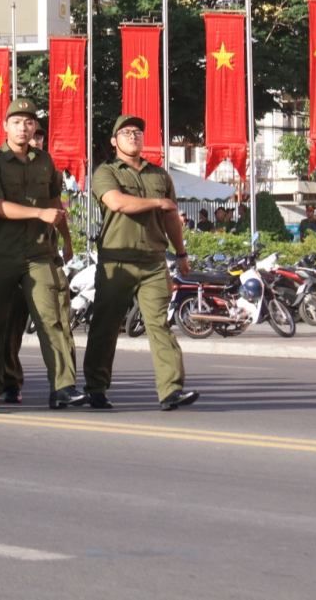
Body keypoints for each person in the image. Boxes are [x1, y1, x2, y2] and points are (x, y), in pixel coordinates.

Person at [0, 99, 85, 410]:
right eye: (17, 122)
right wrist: (39, 214)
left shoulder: (45, 161)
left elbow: (55, 205)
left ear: (35, 127)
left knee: (52, 319)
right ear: (5, 127)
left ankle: (63, 387)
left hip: (37, 253)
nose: (23, 127)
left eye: (29, 122)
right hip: (0, 253)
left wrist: (66, 240)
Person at [85, 115, 199, 411]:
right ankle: (96, 388)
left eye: (137, 132)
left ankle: (171, 390)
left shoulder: (159, 175)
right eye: (125, 132)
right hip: (116, 261)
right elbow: (117, 203)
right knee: (106, 326)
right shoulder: (105, 172)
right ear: (114, 141)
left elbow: (171, 217)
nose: (132, 136)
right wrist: (158, 203)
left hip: (153, 261)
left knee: (159, 325)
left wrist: (182, 254)